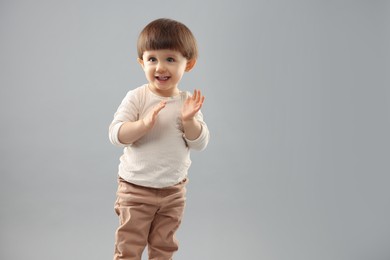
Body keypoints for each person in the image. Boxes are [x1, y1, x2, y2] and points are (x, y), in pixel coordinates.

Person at [109, 18, 210, 260]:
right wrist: (143, 125)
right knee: (129, 246)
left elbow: (200, 142)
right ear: (141, 62)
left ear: (189, 64)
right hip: (135, 189)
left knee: (164, 247)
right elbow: (116, 134)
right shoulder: (137, 97)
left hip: (173, 192)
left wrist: (189, 121)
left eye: (170, 59)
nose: (160, 67)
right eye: (152, 59)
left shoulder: (188, 103)